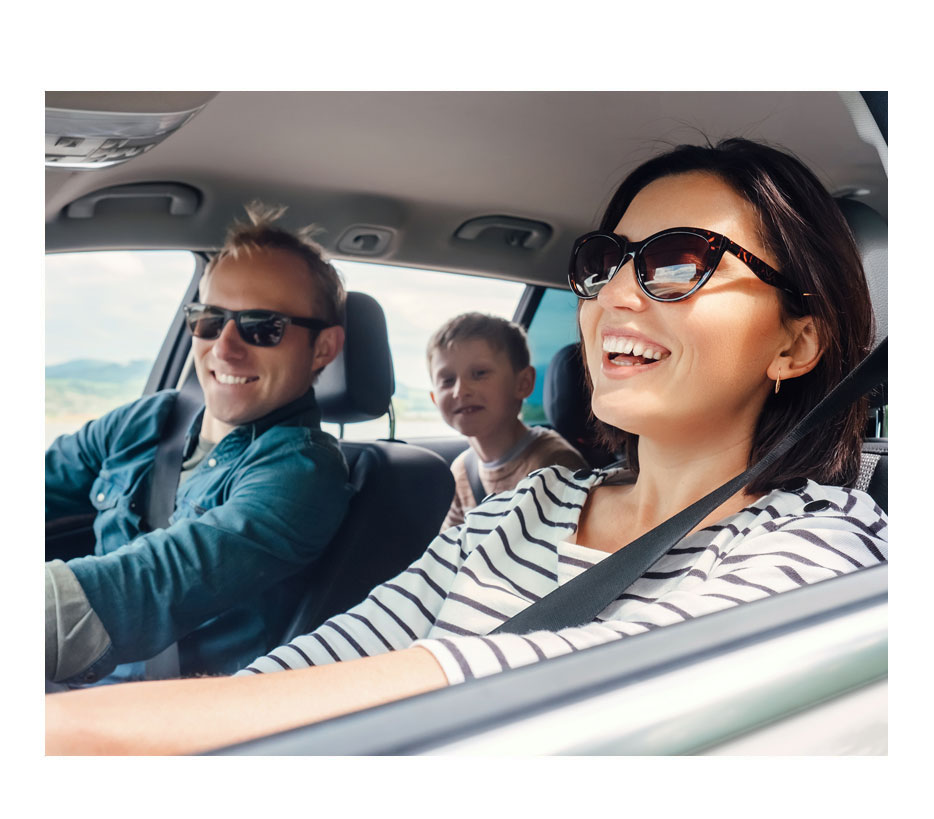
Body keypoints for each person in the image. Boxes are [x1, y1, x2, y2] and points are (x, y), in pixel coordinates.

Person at [46, 138, 887, 754]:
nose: (614, 296)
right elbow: (349, 648)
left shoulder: (827, 544)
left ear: (796, 344)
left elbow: (559, 676)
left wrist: (76, 728)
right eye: (605, 262)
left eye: (677, 262)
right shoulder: (529, 503)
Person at [45, 203, 352, 686]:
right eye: (209, 320)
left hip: (162, 720)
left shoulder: (303, 473)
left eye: (262, 326)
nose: (224, 348)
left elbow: (150, 585)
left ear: (324, 349)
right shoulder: (148, 421)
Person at [427, 312, 587, 529]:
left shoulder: (555, 464)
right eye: (447, 380)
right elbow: (449, 549)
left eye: (479, 373)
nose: (460, 391)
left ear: (523, 383)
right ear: (434, 399)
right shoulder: (462, 470)